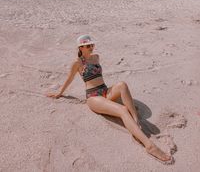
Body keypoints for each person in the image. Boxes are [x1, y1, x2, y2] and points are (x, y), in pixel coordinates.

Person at [47, 35, 173, 164]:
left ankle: (135, 121)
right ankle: (149, 146)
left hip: (105, 91)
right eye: (88, 46)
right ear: (81, 47)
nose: (92, 47)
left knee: (122, 85)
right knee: (123, 110)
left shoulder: (96, 57)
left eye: (92, 45)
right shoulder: (77, 63)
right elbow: (70, 78)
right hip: (93, 97)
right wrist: (59, 93)